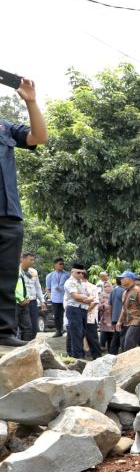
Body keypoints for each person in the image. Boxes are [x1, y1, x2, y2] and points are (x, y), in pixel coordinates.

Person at [0, 76, 47, 348]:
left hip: (8, 214)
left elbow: (39, 136)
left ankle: (4, 331)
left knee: (6, 276)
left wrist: (31, 101)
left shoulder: (4, 127)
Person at [63, 264, 101, 360]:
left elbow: (91, 296)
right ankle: (78, 358)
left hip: (83, 310)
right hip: (74, 309)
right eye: (78, 272)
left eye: (82, 273)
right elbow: (76, 296)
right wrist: (87, 299)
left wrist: (87, 298)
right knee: (76, 334)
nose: (81, 274)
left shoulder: (82, 283)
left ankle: (80, 357)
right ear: (72, 272)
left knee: (82, 334)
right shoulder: (69, 282)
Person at [116, 271, 140, 351]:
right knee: (124, 344)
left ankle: (130, 362)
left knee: (128, 344)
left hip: (137, 321)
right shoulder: (125, 292)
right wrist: (119, 321)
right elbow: (124, 308)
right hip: (127, 322)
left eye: (123, 278)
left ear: (129, 279)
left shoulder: (137, 290)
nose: (121, 280)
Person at [17, 252, 43, 341]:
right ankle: (22, 345)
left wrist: (42, 301)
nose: (33, 262)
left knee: (34, 328)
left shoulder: (34, 272)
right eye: (30, 260)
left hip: (32, 302)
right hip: (21, 303)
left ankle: (29, 345)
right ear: (23, 259)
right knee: (23, 328)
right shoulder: (17, 271)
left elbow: (38, 287)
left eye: (33, 260)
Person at [46, 258, 68, 337]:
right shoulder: (50, 275)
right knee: (56, 315)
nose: (62, 265)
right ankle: (58, 330)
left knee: (64, 315)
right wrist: (50, 296)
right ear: (55, 265)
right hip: (55, 299)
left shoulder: (67, 274)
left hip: (65, 298)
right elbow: (48, 288)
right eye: (60, 264)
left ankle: (64, 329)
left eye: (63, 264)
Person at [97, 272, 117, 354]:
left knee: (112, 336)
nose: (107, 288)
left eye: (108, 286)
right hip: (104, 319)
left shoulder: (115, 294)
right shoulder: (100, 295)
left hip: (113, 318)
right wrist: (103, 307)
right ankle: (102, 348)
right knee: (104, 334)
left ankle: (111, 351)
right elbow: (97, 306)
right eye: (105, 286)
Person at [108, 273, 126, 355]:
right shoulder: (124, 291)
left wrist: (112, 318)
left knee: (116, 336)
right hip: (122, 318)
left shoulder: (114, 290)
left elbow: (110, 305)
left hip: (115, 317)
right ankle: (123, 354)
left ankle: (112, 353)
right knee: (122, 337)